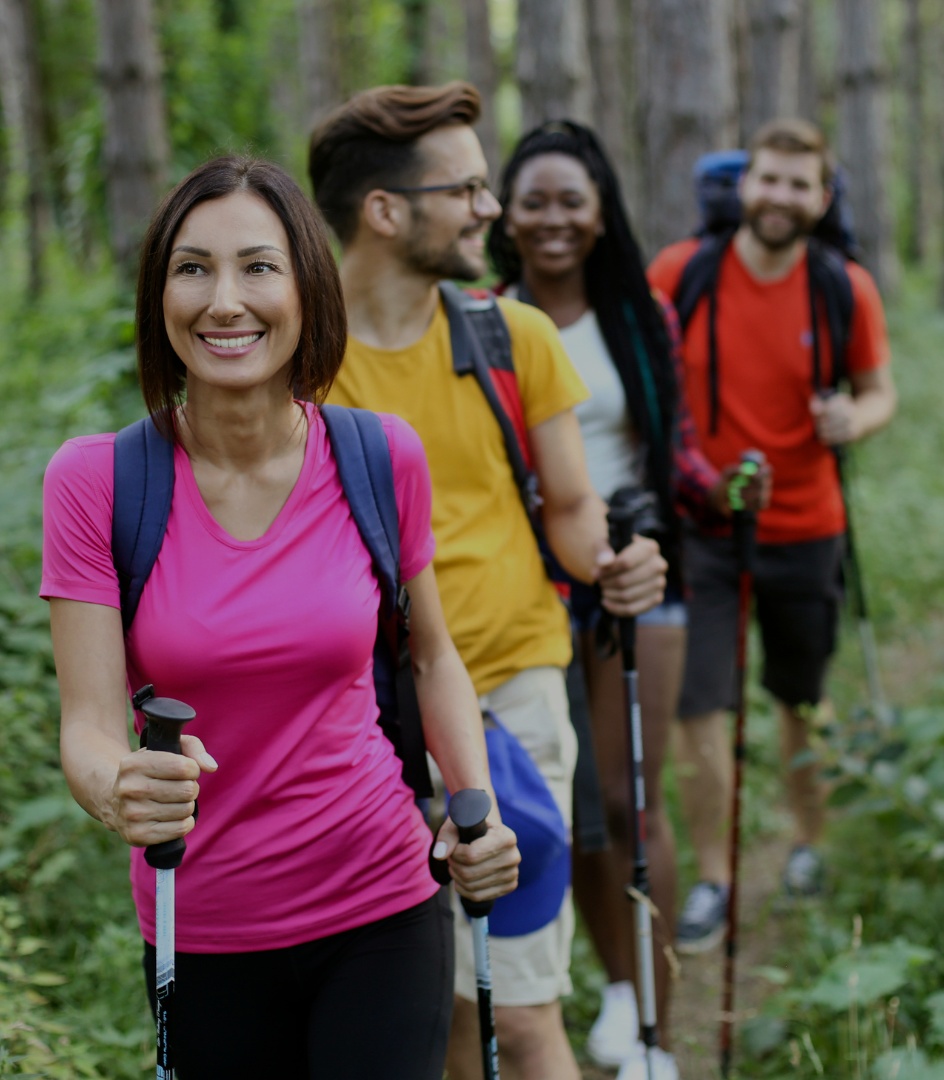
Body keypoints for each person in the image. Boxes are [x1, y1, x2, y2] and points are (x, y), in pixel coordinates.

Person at [42, 156, 521, 1080]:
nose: (225, 301)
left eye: (259, 267)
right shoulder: (96, 481)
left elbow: (431, 661)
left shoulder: (381, 456)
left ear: (307, 289)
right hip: (204, 917)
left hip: (382, 895)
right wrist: (119, 791)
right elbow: (90, 725)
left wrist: (477, 813)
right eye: (193, 268)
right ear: (159, 294)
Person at [308, 84, 668, 1080]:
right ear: (385, 210)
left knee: (520, 1003)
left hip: (510, 696)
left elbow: (568, 506)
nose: (489, 208)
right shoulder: (298, 361)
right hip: (355, 730)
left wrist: (610, 560)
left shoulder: (515, 337)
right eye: (465, 187)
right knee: (438, 1007)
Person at [487, 119, 727, 1080]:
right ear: (507, 212)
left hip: (637, 570)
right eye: (534, 200)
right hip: (535, 581)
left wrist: (718, 493)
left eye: (570, 201)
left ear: (600, 213)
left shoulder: (638, 311)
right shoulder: (480, 314)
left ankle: (658, 1031)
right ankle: (621, 991)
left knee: (631, 798)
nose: (552, 219)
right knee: (572, 807)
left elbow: (675, 445)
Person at [648, 118, 897, 952]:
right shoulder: (682, 273)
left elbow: (879, 391)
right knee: (698, 708)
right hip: (703, 526)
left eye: (800, 184)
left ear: (823, 199)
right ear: (741, 185)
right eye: (769, 179)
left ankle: (808, 846)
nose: (781, 197)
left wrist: (850, 419)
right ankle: (716, 879)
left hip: (807, 524)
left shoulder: (843, 287)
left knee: (800, 700)